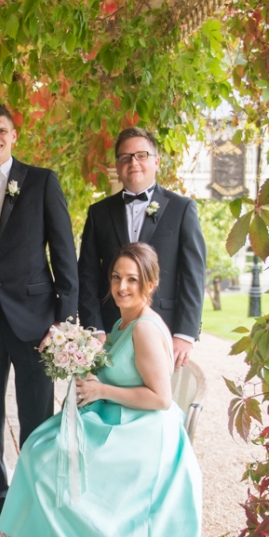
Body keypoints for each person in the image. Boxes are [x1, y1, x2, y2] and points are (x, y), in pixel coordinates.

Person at [0, 242, 203, 537]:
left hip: (146, 435)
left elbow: (160, 398)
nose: (122, 287)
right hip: (122, 419)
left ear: (150, 285)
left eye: (132, 280)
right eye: (116, 277)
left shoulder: (144, 329)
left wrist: (102, 391)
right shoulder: (125, 322)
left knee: (49, 459)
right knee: (40, 446)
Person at [0, 102, 79, 530]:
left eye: (1, 130)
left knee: (37, 413)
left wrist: (63, 323)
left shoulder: (42, 182)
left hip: (36, 321)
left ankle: (36, 499)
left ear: (14, 135)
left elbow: (64, 256)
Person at [77, 127, 206, 369]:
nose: (133, 162)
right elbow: (87, 275)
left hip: (164, 328)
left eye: (141, 155)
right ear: (117, 165)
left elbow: (193, 275)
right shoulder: (99, 213)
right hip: (111, 331)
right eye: (124, 157)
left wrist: (184, 334)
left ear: (156, 161)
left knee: (158, 399)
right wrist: (95, 330)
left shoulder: (182, 209)